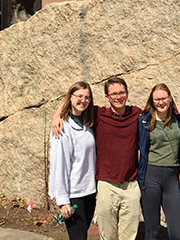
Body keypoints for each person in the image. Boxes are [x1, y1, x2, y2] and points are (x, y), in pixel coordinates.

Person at [53, 77, 142, 240]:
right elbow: (75, 103)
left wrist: (178, 107)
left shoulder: (136, 113)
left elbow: (159, 109)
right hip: (106, 185)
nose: (118, 97)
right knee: (107, 236)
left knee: (129, 236)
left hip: (130, 185)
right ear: (107, 97)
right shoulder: (98, 114)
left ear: (127, 94)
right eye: (113, 94)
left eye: (121, 92)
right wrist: (56, 116)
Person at [137, 83, 180, 240]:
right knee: (153, 230)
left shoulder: (179, 118)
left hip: (172, 176)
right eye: (156, 99)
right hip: (151, 175)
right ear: (152, 101)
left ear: (170, 98)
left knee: (177, 230)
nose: (160, 102)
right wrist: (57, 116)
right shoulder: (144, 120)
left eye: (164, 98)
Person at [48, 82, 97, 240]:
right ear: (70, 97)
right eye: (79, 96)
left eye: (87, 98)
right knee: (78, 237)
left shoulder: (88, 122)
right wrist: (63, 201)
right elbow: (59, 165)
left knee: (82, 234)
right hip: (73, 194)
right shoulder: (62, 127)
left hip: (90, 191)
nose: (83, 100)